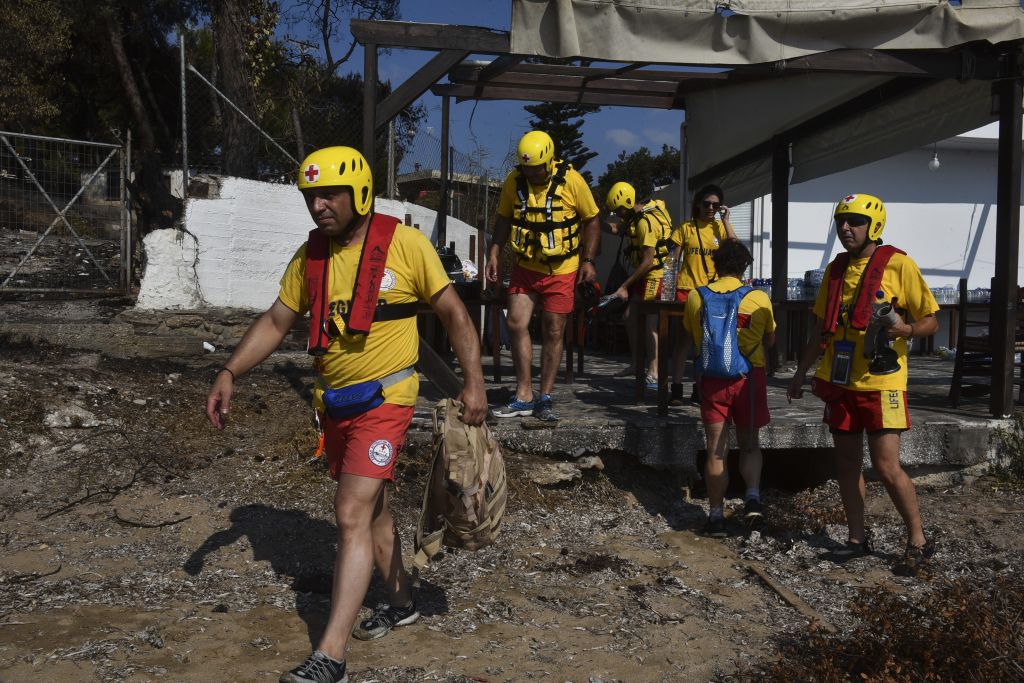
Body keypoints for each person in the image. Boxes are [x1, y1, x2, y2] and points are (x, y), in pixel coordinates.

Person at [205, 146, 487, 683]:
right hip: (334, 404)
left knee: (351, 512)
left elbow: (452, 311)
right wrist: (230, 372)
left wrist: (473, 382)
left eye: (330, 195)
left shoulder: (404, 245)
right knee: (374, 510)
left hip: (387, 401)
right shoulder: (310, 256)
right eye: (312, 197)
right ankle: (402, 599)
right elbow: (275, 320)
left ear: (358, 193)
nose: (319, 207)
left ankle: (330, 656)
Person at [786, 193, 939, 576]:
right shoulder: (835, 271)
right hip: (840, 381)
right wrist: (800, 373)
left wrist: (906, 328)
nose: (845, 228)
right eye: (841, 221)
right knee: (846, 464)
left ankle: (918, 539)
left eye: (854, 221)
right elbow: (819, 329)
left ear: (874, 226)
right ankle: (856, 539)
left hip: (881, 381)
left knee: (887, 466)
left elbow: (930, 320)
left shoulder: (899, 265)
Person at [485, 130, 601, 421]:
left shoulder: (572, 181)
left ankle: (545, 396)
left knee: (553, 330)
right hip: (526, 266)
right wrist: (494, 252)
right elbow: (504, 217)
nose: (531, 174)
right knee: (515, 322)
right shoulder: (515, 181)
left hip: (562, 268)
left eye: (536, 168)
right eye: (526, 168)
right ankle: (523, 393)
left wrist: (588, 260)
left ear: (549, 162)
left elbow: (592, 219)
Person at [683, 239, 775, 537]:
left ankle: (716, 516)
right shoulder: (759, 298)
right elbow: (771, 340)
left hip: (712, 380)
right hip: (749, 379)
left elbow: (693, 336)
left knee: (716, 450)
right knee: (749, 443)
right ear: (744, 266)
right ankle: (752, 496)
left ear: (715, 264)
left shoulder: (697, 297)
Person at [669, 184, 738, 406]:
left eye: (716, 205)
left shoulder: (720, 229)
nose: (711, 208)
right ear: (698, 204)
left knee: (706, 342)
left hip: (712, 292)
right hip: (687, 290)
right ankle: (677, 388)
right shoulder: (685, 229)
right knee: (683, 341)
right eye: (707, 203)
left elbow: (736, 250)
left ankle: (700, 389)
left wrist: (726, 221)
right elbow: (672, 261)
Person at [604, 181, 675, 388]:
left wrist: (624, 286)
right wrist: (593, 220)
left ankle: (654, 371)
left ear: (627, 203)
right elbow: (618, 229)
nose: (618, 214)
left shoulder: (645, 223)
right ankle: (636, 364)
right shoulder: (635, 217)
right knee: (629, 316)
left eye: (619, 210)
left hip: (658, 276)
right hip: (645, 275)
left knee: (651, 323)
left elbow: (648, 261)